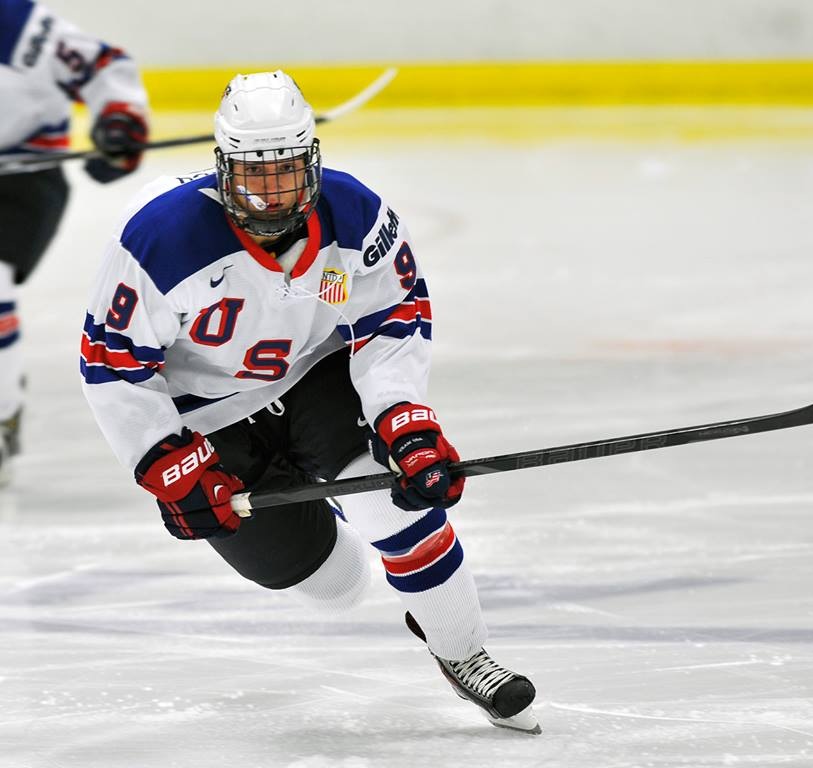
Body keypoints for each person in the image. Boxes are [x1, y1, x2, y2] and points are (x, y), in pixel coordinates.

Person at [80, 70, 539, 734]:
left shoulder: (355, 215)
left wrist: (402, 418)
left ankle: (463, 650)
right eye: (254, 174)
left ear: (312, 161)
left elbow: (393, 316)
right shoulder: (160, 240)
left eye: (288, 172)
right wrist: (168, 466)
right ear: (223, 168)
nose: (273, 193)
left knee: (396, 507)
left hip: (312, 375)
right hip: (205, 416)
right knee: (335, 585)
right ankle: (325, 514)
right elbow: (113, 365)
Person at [0, 0, 149, 482]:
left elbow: (104, 64)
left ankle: (2, 414)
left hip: (18, 184)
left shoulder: (17, 26)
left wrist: (119, 120)